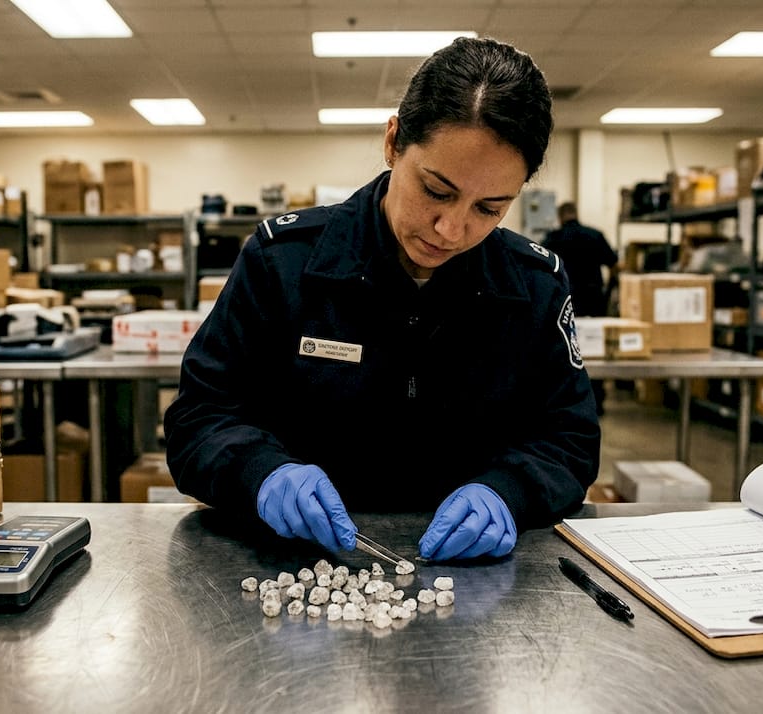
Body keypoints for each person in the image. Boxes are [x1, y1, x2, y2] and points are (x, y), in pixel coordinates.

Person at [163, 37, 600, 562]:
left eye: (490, 208)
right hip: (298, 565)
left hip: (473, 585)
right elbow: (199, 416)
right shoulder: (283, 263)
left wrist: (510, 492)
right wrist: (262, 473)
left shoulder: (535, 285)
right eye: (436, 190)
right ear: (394, 141)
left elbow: (569, 438)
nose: (451, 229)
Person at [540, 201, 618, 414]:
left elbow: (540, 270)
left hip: (563, 303)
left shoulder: (553, 238)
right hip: (594, 300)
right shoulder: (595, 235)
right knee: (596, 349)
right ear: (576, 213)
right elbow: (615, 265)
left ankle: (570, 404)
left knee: (566, 351)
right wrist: (609, 291)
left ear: (560, 216)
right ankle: (597, 401)